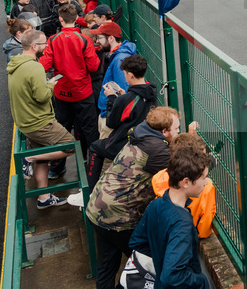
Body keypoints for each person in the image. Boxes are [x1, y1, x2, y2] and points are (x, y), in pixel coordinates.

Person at [84, 106, 181, 289]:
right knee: (147, 262)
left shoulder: (139, 136)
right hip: (119, 217)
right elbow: (182, 173)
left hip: (96, 208)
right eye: (176, 129)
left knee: (106, 266)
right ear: (164, 131)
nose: (178, 131)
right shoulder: (157, 150)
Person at [125, 133, 210, 289]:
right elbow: (171, 277)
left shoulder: (156, 204)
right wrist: (202, 281)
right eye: (203, 178)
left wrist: (159, 261)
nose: (205, 183)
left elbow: (136, 242)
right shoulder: (182, 223)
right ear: (186, 182)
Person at [7, 29, 75, 209]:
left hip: (25, 122)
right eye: (45, 43)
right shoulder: (35, 67)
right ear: (34, 46)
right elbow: (42, 96)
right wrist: (51, 85)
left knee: (42, 159)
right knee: (70, 145)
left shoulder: (16, 64)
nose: (47, 46)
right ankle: (28, 159)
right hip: (39, 122)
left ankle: (43, 197)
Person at [39, 3, 101, 161]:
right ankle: (94, 165)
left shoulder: (53, 40)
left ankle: (57, 167)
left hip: (62, 92)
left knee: (62, 130)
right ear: (76, 19)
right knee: (90, 129)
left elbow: (44, 65)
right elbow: (94, 67)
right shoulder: (84, 40)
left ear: (60, 19)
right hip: (82, 92)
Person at [85, 52, 153, 191]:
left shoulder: (125, 100)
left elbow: (111, 122)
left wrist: (111, 99)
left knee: (95, 147)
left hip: (125, 143)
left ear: (130, 75)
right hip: (144, 140)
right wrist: (123, 96)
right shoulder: (151, 92)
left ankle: (90, 190)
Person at [91, 22, 138, 138]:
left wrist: (111, 114)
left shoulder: (119, 60)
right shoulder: (117, 56)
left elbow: (122, 93)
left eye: (100, 38)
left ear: (111, 38)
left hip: (110, 115)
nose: (97, 41)